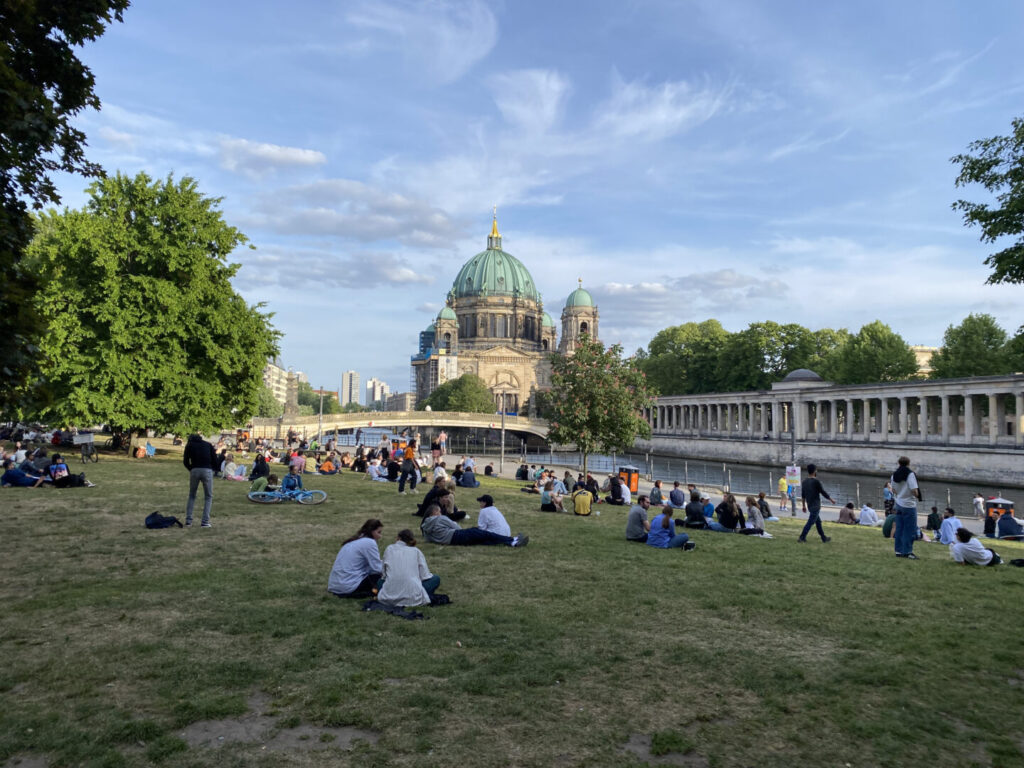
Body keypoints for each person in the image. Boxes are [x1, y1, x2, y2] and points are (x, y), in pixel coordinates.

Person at [376, 529, 440, 607]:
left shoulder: (389, 549)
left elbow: (384, 575)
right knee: (436, 579)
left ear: (398, 538)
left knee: (380, 581)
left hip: (388, 598)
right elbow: (425, 575)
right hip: (413, 597)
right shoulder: (416, 551)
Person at [420, 504, 528, 547]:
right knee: (485, 534)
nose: (441, 513)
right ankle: (512, 539)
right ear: (434, 513)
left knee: (481, 540)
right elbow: (457, 527)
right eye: (439, 512)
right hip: (457, 535)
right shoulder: (440, 519)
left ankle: (512, 543)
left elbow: (430, 539)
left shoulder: (425, 528)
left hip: (452, 541)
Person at [328, 519, 384, 598]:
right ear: (371, 531)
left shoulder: (354, 541)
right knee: (380, 578)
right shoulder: (369, 542)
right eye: (378, 532)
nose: (380, 536)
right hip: (348, 586)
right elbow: (377, 568)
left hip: (335, 586)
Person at [890, 456, 921, 559]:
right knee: (909, 529)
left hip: (898, 503)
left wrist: (900, 495)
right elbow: (914, 490)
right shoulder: (910, 474)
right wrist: (917, 496)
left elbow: (893, 490)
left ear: (899, 463)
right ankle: (907, 552)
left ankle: (898, 551)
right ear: (908, 463)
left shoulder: (894, 475)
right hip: (909, 505)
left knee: (899, 528)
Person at [183, 433, 217, 528]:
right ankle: (205, 522)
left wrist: (191, 469)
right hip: (207, 470)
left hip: (194, 470)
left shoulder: (189, 445)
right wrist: (213, 469)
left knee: (192, 495)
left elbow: (185, 461)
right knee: (208, 496)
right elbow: (215, 459)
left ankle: (188, 521)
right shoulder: (208, 444)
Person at [799, 463, 834, 544]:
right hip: (816, 505)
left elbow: (803, 495)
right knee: (810, 522)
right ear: (815, 471)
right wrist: (831, 499)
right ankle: (802, 537)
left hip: (810, 505)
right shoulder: (816, 481)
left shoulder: (804, 481)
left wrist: (804, 506)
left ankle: (823, 538)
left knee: (818, 522)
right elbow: (822, 492)